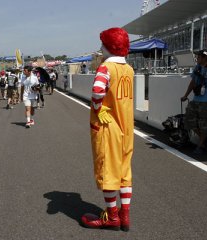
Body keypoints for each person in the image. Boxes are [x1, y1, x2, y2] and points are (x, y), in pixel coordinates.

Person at [81, 28, 134, 232]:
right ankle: (124, 214)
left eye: (103, 43)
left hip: (108, 126)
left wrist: (98, 107)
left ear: (109, 47)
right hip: (126, 127)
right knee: (124, 171)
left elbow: (97, 91)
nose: (101, 47)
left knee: (108, 171)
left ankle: (112, 217)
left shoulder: (105, 68)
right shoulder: (128, 69)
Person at [181, 49, 207, 154]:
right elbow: (192, 83)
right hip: (196, 99)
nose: (197, 58)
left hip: (206, 102)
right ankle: (203, 139)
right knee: (188, 120)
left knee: (204, 124)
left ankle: (200, 146)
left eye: (199, 57)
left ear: (205, 58)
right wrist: (185, 95)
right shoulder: (197, 68)